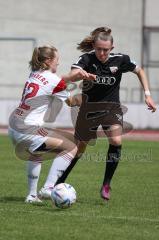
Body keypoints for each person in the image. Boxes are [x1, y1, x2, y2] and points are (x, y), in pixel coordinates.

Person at [55, 27, 157, 201]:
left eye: (106, 50)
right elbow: (71, 75)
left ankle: (106, 184)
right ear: (94, 46)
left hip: (111, 107)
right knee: (80, 148)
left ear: (112, 47)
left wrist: (147, 95)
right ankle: (59, 182)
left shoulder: (121, 60)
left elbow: (139, 71)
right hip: (89, 109)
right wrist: (78, 75)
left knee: (116, 140)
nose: (102, 53)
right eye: (99, 49)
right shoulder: (86, 59)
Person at [8, 45, 95, 203]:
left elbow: (56, 80)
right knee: (72, 146)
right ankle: (48, 188)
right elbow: (71, 101)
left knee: (36, 154)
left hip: (14, 127)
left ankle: (32, 196)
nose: (58, 63)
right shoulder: (55, 81)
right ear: (48, 61)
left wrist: (70, 78)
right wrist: (86, 98)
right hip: (29, 129)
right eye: (57, 60)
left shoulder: (34, 73)